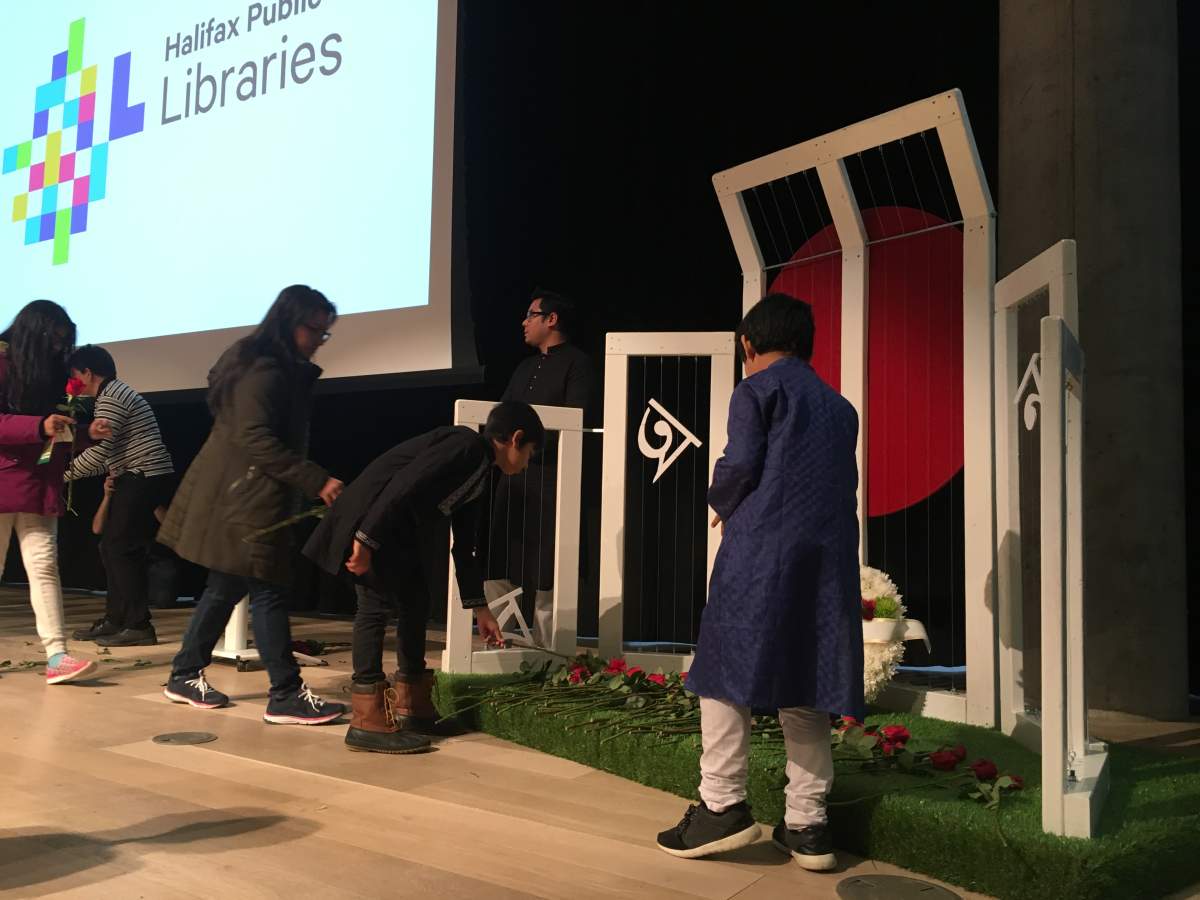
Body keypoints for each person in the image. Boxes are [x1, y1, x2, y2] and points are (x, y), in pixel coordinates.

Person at [656, 294, 863, 871]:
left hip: (762, 550)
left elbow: (740, 462)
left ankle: (722, 806)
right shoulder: (840, 407)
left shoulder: (755, 390)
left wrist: (720, 501)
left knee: (721, 671)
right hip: (826, 558)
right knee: (807, 679)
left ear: (748, 345)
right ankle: (809, 825)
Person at [304, 401, 545, 753]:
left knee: (416, 601)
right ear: (515, 439)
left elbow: (465, 547)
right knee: (374, 606)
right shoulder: (464, 446)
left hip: (394, 534)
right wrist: (366, 539)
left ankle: (413, 706)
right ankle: (366, 719)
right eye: (530, 453)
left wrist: (480, 609)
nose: (526, 464)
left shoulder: (481, 473)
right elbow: (403, 483)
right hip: (371, 521)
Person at [158, 285, 346, 725]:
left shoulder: (255, 360)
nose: (320, 339)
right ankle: (284, 693)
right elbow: (254, 438)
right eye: (315, 329)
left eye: (325, 333)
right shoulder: (267, 370)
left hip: (242, 492)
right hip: (247, 496)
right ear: (289, 321)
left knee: (226, 587)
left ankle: (184, 673)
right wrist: (317, 480)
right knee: (269, 590)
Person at [0, 300, 104, 685]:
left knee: (44, 564)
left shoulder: (49, 373)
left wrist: (82, 434)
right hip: (5, 477)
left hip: (39, 478)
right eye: (56, 340)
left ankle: (57, 654)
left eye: (65, 342)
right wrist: (38, 427)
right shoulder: (1, 360)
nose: (61, 348)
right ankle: (56, 653)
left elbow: (51, 427)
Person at [485, 289, 593, 646]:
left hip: (551, 479)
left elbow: (575, 419)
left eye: (531, 315)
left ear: (552, 319)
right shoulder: (524, 367)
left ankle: (550, 651)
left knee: (547, 565)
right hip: (511, 477)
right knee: (500, 556)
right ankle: (504, 641)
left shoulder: (577, 363)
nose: (524, 322)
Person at [66, 344, 174, 647]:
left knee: (118, 547)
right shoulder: (112, 394)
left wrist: (61, 475)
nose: (73, 383)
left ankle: (139, 625)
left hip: (144, 475)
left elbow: (103, 450)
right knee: (113, 547)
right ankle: (117, 620)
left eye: (75, 376)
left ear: (87, 373)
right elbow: (108, 452)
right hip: (138, 475)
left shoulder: (111, 396)